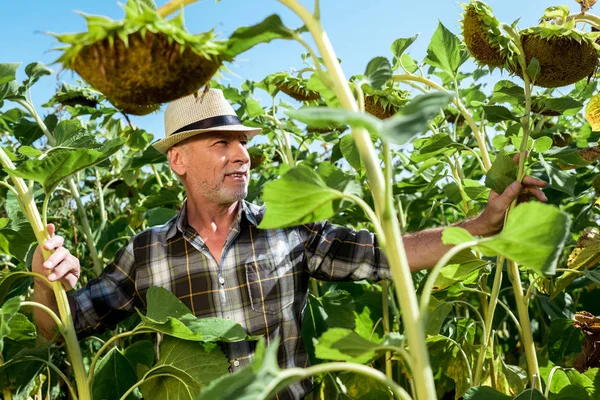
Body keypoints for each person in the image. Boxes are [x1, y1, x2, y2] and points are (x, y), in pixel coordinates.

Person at [32, 89, 548, 399]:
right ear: (179, 161)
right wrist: (44, 276)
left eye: (244, 143)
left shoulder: (288, 228)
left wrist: (480, 225)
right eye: (222, 143)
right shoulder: (145, 252)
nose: (242, 155)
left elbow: (389, 256)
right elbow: (61, 328)